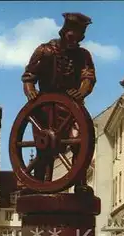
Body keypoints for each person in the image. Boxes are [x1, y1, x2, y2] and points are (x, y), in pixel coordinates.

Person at [22, 13, 96, 184]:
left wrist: (82, 92)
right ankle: (39, 183)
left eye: (78, 37)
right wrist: (30, 91)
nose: (74, 40)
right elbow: (29, 77)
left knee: (80, 141)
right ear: (64, 32)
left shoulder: (83, 55)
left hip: (70, 109)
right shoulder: (44, 51)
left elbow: (88, 77)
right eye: (71, 35)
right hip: (45, 109)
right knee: (44, 146)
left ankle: (79, 182)